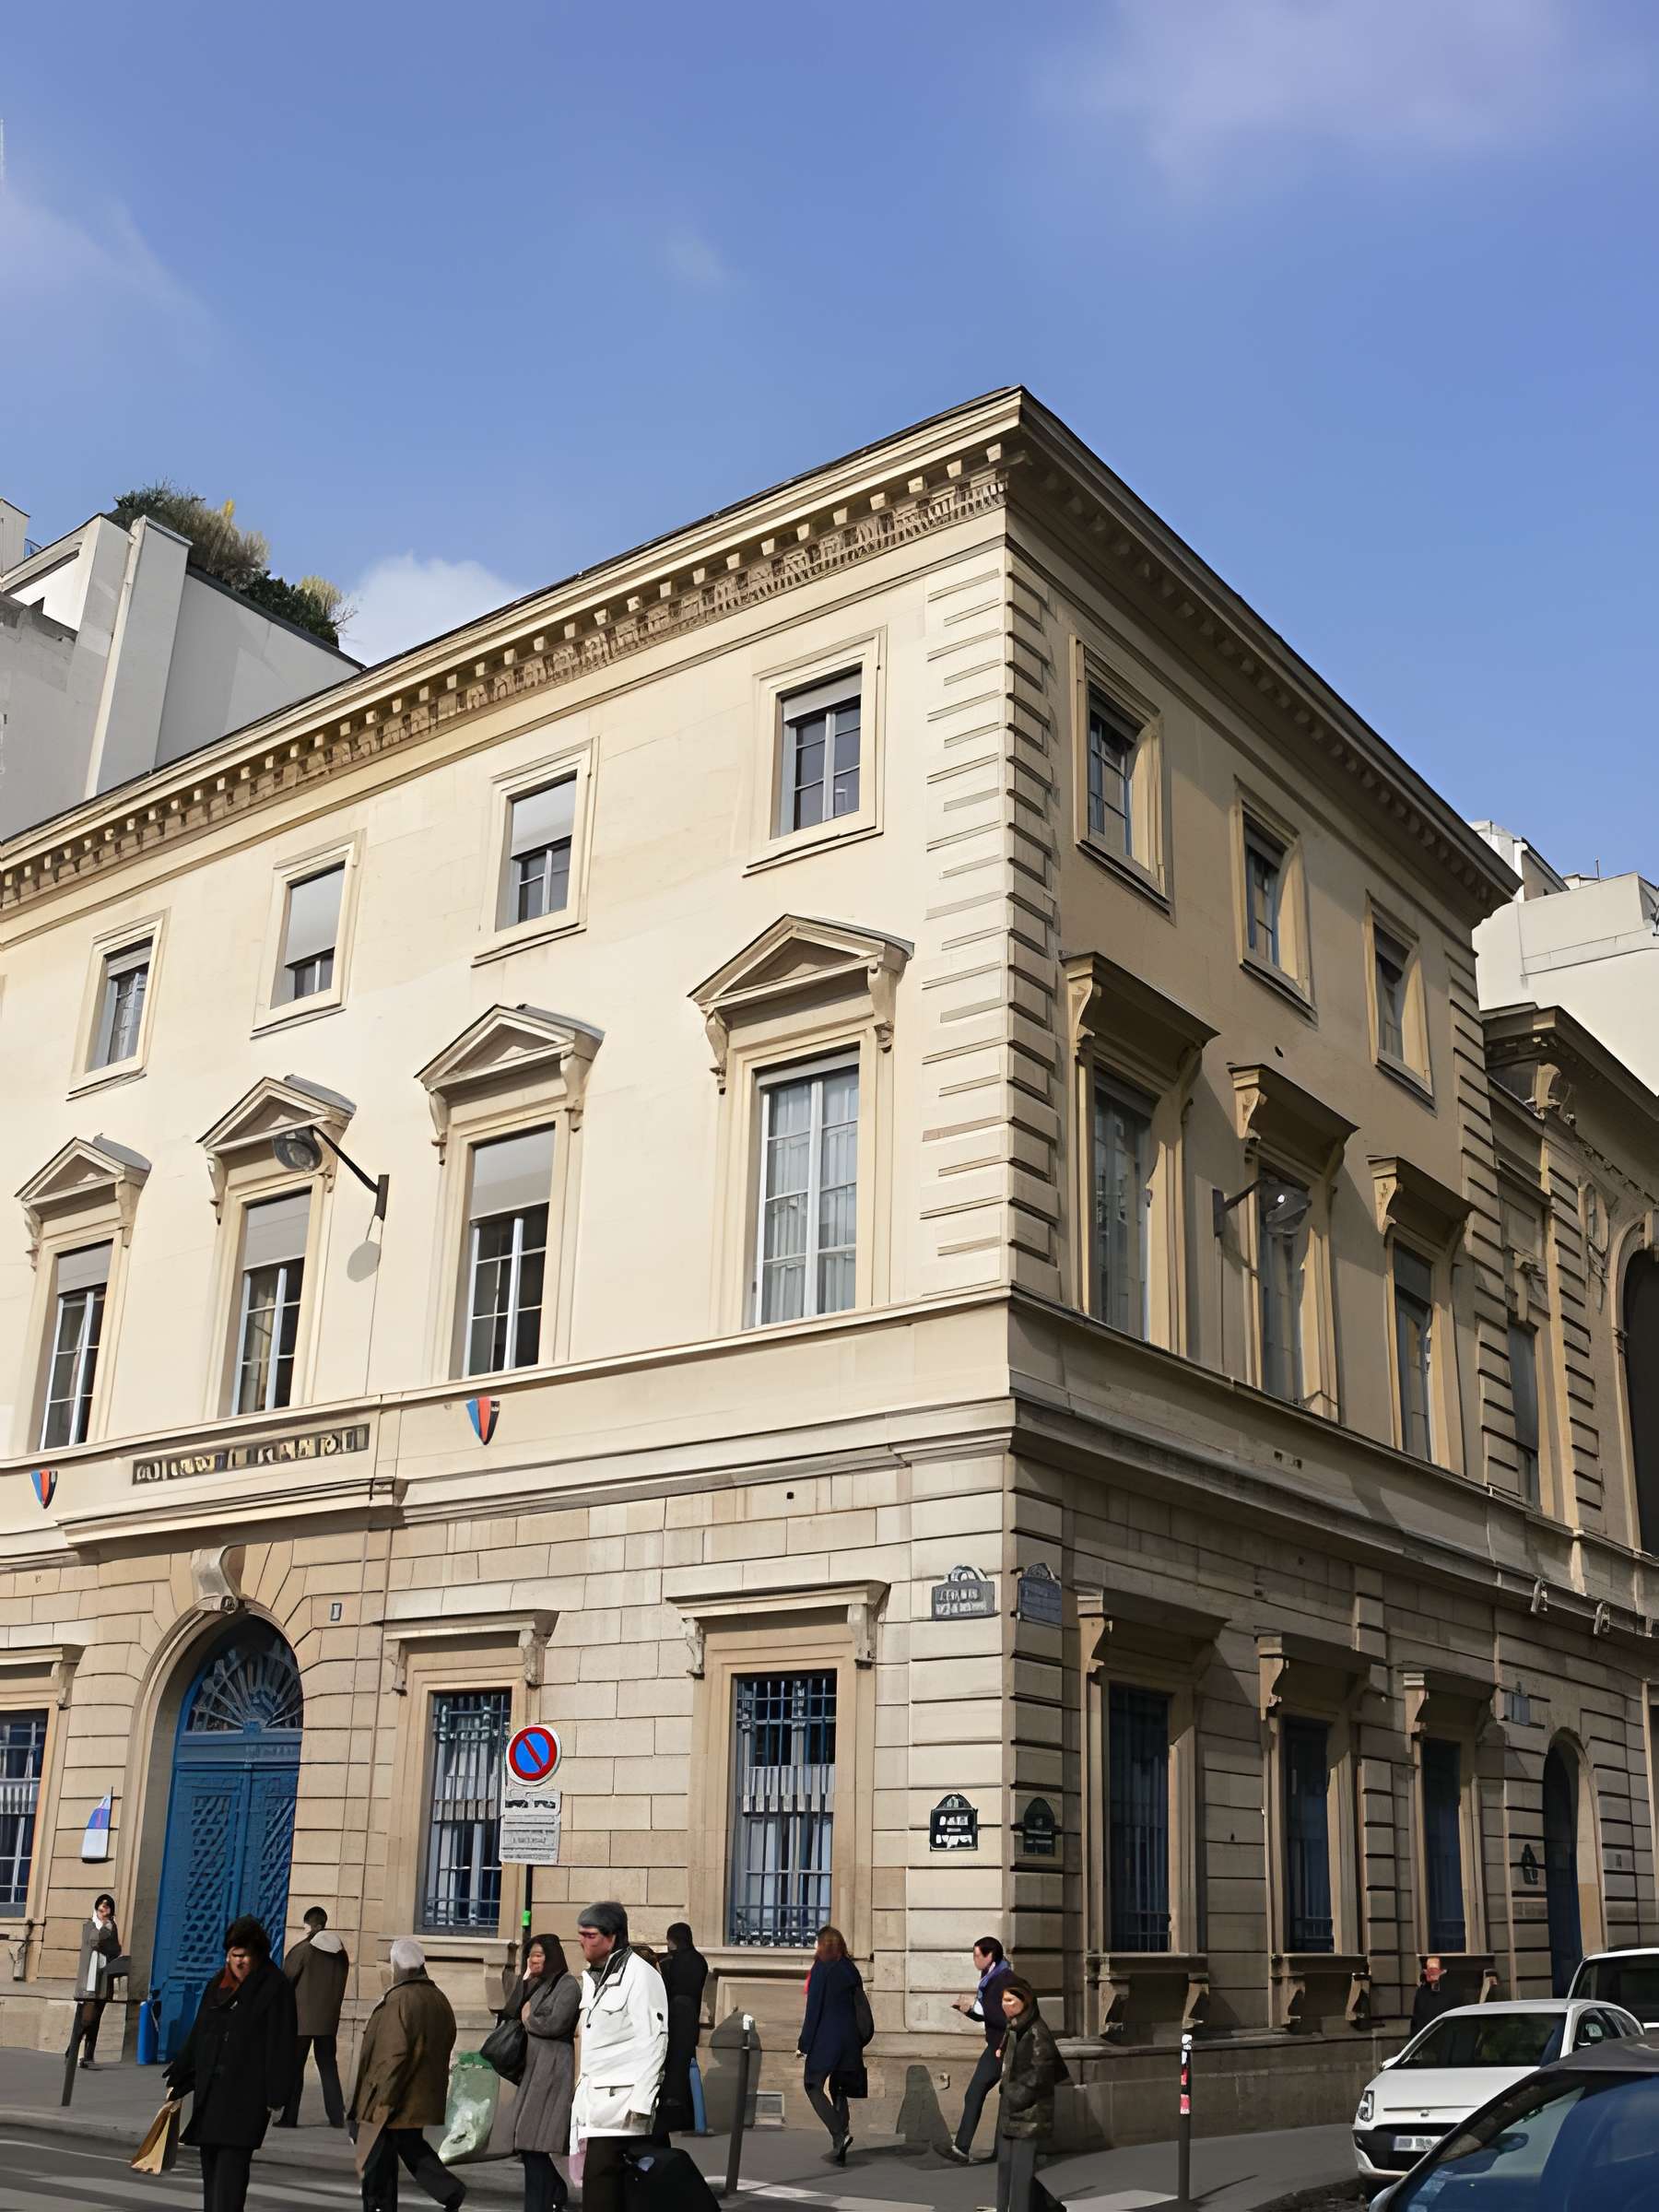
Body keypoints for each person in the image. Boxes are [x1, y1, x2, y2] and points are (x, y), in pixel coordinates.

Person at [164, 1914, 299, 2212]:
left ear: (257, 1955)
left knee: (230, 2178)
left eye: (244, 1956)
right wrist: (180, 2076)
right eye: (233, 1955)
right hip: (211, 2097)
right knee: (211, 2174)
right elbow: (200, 2031)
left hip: (245, 2098)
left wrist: (276, 2096)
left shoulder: (275, 1987)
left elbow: (282, 2042)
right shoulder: (218, 1983)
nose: (238, 1962)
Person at [348, 1936, 465, 2211]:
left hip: (394, 2093)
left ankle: (379, 2205)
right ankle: (449, 2190)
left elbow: (392, 2056)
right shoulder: (437, 1997)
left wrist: (380, 2099)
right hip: (420, 2092)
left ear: (397, 1967)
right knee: (410, 2147)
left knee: (377, 2156)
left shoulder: (399, 1999)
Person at [569, 1900, 668, 2212]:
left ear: (613, 1937)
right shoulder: (594, 1978)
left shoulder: (640, 1975)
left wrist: (642, 2103)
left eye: (591, 1935)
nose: (583, 1941)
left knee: (601, 2186)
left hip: (622, 2107)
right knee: (606, 2186)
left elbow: (655, 2040)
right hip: (594, 2103)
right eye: (581, 1934)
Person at [504, 1932, 579, 2212]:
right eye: (531, 1955)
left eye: (539, 1955)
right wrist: (523, 1983)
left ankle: (540, 2203)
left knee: (536, 2142)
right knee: (529, 2143)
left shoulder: (568, 1985)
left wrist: (528, 2018)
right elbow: (511, 2012)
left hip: (552, 2069)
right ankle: (554, 2192)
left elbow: (555, 2024)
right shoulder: (535, 1984)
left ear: (552, 1957)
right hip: (531, 2068)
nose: (534, 1960)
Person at [993, 1976, 1067, 2212]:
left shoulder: (1036, 2031)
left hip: (1029, 2113)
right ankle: (1046, 2207)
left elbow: (1041, 2073)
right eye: (1003, 2000)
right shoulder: (1014, 2026)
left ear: (1024, 2001)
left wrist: (1014, 2094)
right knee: (1007, 2167)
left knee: (1021, 2172)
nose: (1005, 2005)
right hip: (1011, 2110)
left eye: (1010, 2000)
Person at [797, 1924, 867, 2165]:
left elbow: (813, 2009)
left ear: (821, 1945)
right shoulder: (850, 1969)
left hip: (827, 2039)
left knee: (812, 2085)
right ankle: (840, 2148)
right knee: (839, 2088)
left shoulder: (821, 1970)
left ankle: (840, 2134)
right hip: (850, 2040)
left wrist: (804, 2043)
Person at [278, 1905, 349, 2128]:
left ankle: (290, 2117)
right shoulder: (341, 1952)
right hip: (328, 2021)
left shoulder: (303, 1950)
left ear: (315, 1925)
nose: (305, 1929)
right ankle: (337, 2116)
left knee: (294, 2068)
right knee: (328, 2066)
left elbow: (286, 1981)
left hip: (301, 2021)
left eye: (307, 1925)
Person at [944, 1936, 1013, 2162]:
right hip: (995, 2044)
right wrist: (967, 2010)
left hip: (1003, 2047)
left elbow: (1003, 2017)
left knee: (981, 2093)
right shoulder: (989, 1978)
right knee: (980, 2094)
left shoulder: (1003, 1980)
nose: (974, 1959)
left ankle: (964, 2148)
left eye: (977, 1955)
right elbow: (987, 2015)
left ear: (990, 1956)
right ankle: (967, 2149)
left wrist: (973, 2007)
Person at [656, 1922, 709, 2138]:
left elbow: (664, 1988)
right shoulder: (699, 1961)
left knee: (673, 2067)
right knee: (686, 2063)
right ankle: (690, 2117)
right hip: (691, 2017)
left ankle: (674, 2116)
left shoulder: (671, 1962)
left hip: (674, 2017)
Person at [67, 1892, 121, 2071]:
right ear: (97, 1907)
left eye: (108, 1905)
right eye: (102, 1905)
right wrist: (106, 1927)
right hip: (89, 1983)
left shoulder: (112, 1927)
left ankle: (88, 2057)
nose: (104, 1908)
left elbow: (116, 1950)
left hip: (103, 1981)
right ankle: (72, 2051)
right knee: (86, 2019)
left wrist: (108, 1939)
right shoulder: (89, 1925)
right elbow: (94, 1941)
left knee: (95, 2020)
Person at [1410, 1954, 1456, 2038]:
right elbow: (1415, 2020)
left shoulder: (1452, 1993)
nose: (1431, 1972)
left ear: (1442, 1971)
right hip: (1424, 2040)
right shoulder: (1421, 1992)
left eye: (1434, 1969)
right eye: (1428, 1969)